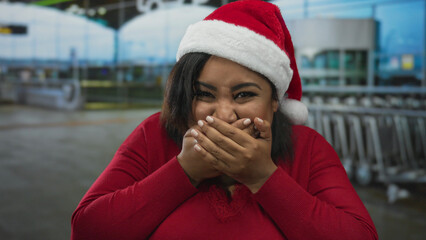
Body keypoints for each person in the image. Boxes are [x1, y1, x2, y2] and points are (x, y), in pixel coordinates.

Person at [71, 0, 378, 239]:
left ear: (274, 102)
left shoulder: (307, 148)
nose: (223, 114)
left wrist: (263, 177)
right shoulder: (155, 133)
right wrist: (184, 171)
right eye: (204, 94)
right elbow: (88, 229)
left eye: (244, 95)